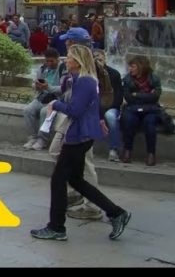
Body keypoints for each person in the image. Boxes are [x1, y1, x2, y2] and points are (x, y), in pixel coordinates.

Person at [30, 45, 131, 242]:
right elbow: (71, 96)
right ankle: (116, 213)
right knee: (76, 180)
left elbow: (75, 110)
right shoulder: (78, 79)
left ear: (77, 61)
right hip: (79, 135)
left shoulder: (85, 81)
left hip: (78, 137)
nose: (65, 60)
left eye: (68, 58)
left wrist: (55, 105)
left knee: (58, 180)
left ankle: (56, 227)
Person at [119, 55, 163, 166]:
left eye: (132, 66)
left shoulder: (154, 78)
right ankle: (127, 150)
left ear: (140, 67)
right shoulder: (127, 79)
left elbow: (155, 97)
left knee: (150, 123)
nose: (130, 69)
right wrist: (147, 95)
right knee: (128, 120)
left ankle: (151, 154)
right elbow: (128, 98)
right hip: (133, 108)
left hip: (150, 109)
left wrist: (137, 94)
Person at [22, 47, 64, 151]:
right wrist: (36, 86)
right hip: (42, 97)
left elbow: (63, 88)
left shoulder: (63, 69)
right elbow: (34, 83)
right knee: (28, 110)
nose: (49, 63)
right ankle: (33, 137)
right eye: (47, 60)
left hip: (56, 99)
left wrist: (48, 87)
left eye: (52, 61)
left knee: (44, 112)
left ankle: (42, 139)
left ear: (57, 59)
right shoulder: (42, 68)